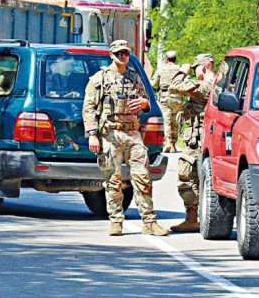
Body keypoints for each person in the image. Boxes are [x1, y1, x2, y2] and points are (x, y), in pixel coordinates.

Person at [82, 40, 170, 237]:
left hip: (132, 133)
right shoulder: (100, 79)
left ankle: (149, 222)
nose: (123, 56)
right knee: (113, 180)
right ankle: (115, 221)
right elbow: (88, 109)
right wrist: (92, 135)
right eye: (119, 53)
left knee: (143, 178)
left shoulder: (134, 77)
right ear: (111, 55)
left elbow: (146, 102)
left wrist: (145, 103)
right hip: (111, 135)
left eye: (126, 53)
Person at [168, 53, 215, 233]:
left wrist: (183, 70)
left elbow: (175, 85)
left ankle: (191, 218)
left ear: (203, 67)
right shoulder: (221, 84)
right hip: (205, 141)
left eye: (196, 69)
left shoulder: (206, 85)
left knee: (187, 177)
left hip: (199, 144)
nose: (194, 72)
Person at [150, 50, 183, 153]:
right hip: (177, 98)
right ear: (175, 59)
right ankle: (173, 145)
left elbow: (154, 84)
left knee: (166, 121)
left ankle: (168, 141)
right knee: (175, 121)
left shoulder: (161, 69)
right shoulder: (180, 70)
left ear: (167, 59)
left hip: (164, 98)